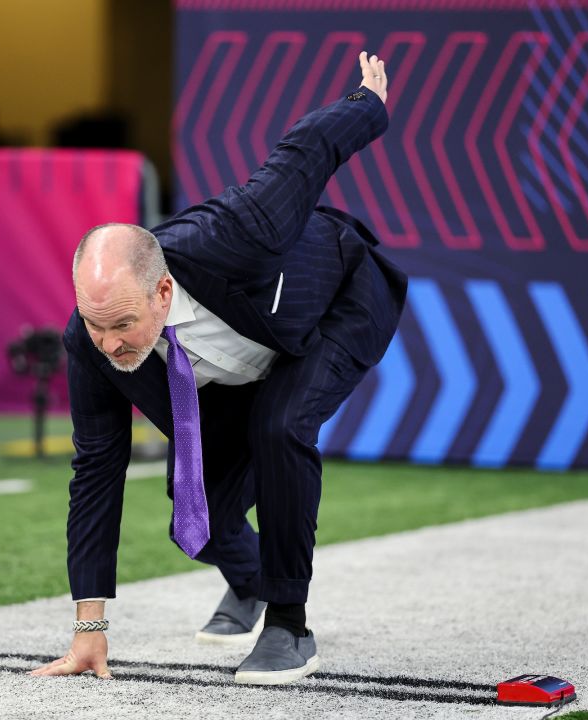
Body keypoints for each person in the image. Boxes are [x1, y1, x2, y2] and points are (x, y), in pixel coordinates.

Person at [30, 51, 407, 685]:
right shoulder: (89, 344)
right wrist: (89, 628)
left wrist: (365, 104)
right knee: (195, 515)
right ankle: (253, 578)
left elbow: (304, 152)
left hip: (337, 303)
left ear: (163, 292)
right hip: (234, 369)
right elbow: (96, 471)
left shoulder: (237, 234)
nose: (109, 344)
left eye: (122, 325)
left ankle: (289, 625)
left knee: (281, 428)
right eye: (94, 324)